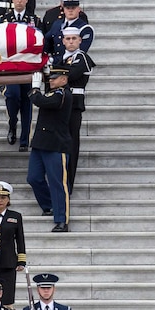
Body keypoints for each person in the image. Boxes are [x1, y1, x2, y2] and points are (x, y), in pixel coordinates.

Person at [27, 65, 72, 232]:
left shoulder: (63, 94)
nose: (51, 80)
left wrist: (35, 90)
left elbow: (45, 102)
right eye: (50, 78)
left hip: (56, 144)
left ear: (64, 79)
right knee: (33, 178)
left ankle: (62, 219)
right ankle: (49, 205)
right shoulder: (52, 92)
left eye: (55, 78)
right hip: (40, 143)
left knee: (57, 183)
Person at [52, 26, 96, 193]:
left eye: (74, 39)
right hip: (59, 103)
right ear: (63, 41)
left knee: (71, 143)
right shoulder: (61, 59)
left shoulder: (82, 57)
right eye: (68, 39)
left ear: (80, 41)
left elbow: (70, 75)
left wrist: (56, 74)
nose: (70, 42)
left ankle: (68, 182)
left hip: (74, 104)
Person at [0, 0, 41, 152]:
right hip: (10, 67)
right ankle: (12, 124)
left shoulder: (34, 19)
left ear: (27, 0)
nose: (19, 1)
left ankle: (24, 139)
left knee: (27, 103)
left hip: (28, 67)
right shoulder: (4, 19)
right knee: (13, 96)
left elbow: (40, 40)